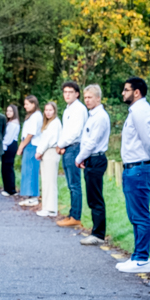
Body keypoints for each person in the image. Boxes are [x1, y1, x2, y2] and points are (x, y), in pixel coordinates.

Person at [117, 77, 150, 273]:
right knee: (135, 214)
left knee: (141, 215)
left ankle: (142, 257)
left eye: (126, 90)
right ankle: (137, 256)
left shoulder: (140, 111)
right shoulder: (136, 110)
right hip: (134, 168)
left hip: (140, 168)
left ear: (136, 92)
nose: (123, 93)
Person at [74, 84, 111, 246]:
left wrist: (79, 158)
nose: (87, 100)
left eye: (90, 97)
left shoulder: (100, 117)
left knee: (95, 198)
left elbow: (92, 142)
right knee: (92, 197)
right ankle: (96, 230)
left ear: (98, 98)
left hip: (96, 158)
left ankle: (98, 233)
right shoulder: (92, 115)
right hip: (90, 158)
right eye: (85, 97)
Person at [55, 81, 87, 227]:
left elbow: (75, 132)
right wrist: (61, 145)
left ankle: (76, 217)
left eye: (70, 92)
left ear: (77, 94)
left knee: (74, 184)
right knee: (70, 184)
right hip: (67, 148)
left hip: (74, 147)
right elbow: (65, 131)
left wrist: (61, 144)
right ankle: (72, 214)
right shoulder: (68, 109)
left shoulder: (79, 109)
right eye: (65, 92)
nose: (67, 95)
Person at [34, 101, 61, 218]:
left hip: (51, 151)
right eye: (46, 110)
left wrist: (39, 151)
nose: (48, 112)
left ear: (54, 111)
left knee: (50, 181)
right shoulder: (48, 124)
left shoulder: (55, 123)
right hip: (46, 152)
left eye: (50, 110)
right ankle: (46, 207)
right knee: (45, 180)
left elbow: (48, 140)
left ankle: (51, 208)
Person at [17, 95, 41, 206]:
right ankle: (29, 195)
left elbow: (31, 133)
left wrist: (21, 146)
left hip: (32, 145)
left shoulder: (36, 116)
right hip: (29, 145)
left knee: (31, 170)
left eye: (27, 104)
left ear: (33, 104)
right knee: (27, 170)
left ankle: (33, 196)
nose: (25, 106)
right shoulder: (31, 116)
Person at [1, 104, 20, 196]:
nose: (8, 113)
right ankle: (7, 188)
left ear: (14, 112)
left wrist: (2, 145)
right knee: (5, 167)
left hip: (9, 145)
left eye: (10, 111)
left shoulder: (13, 124)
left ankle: (10, 189)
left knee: (7, 167)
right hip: (8, 145)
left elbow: (8, 138)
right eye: (7, 111)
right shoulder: (10, 122)